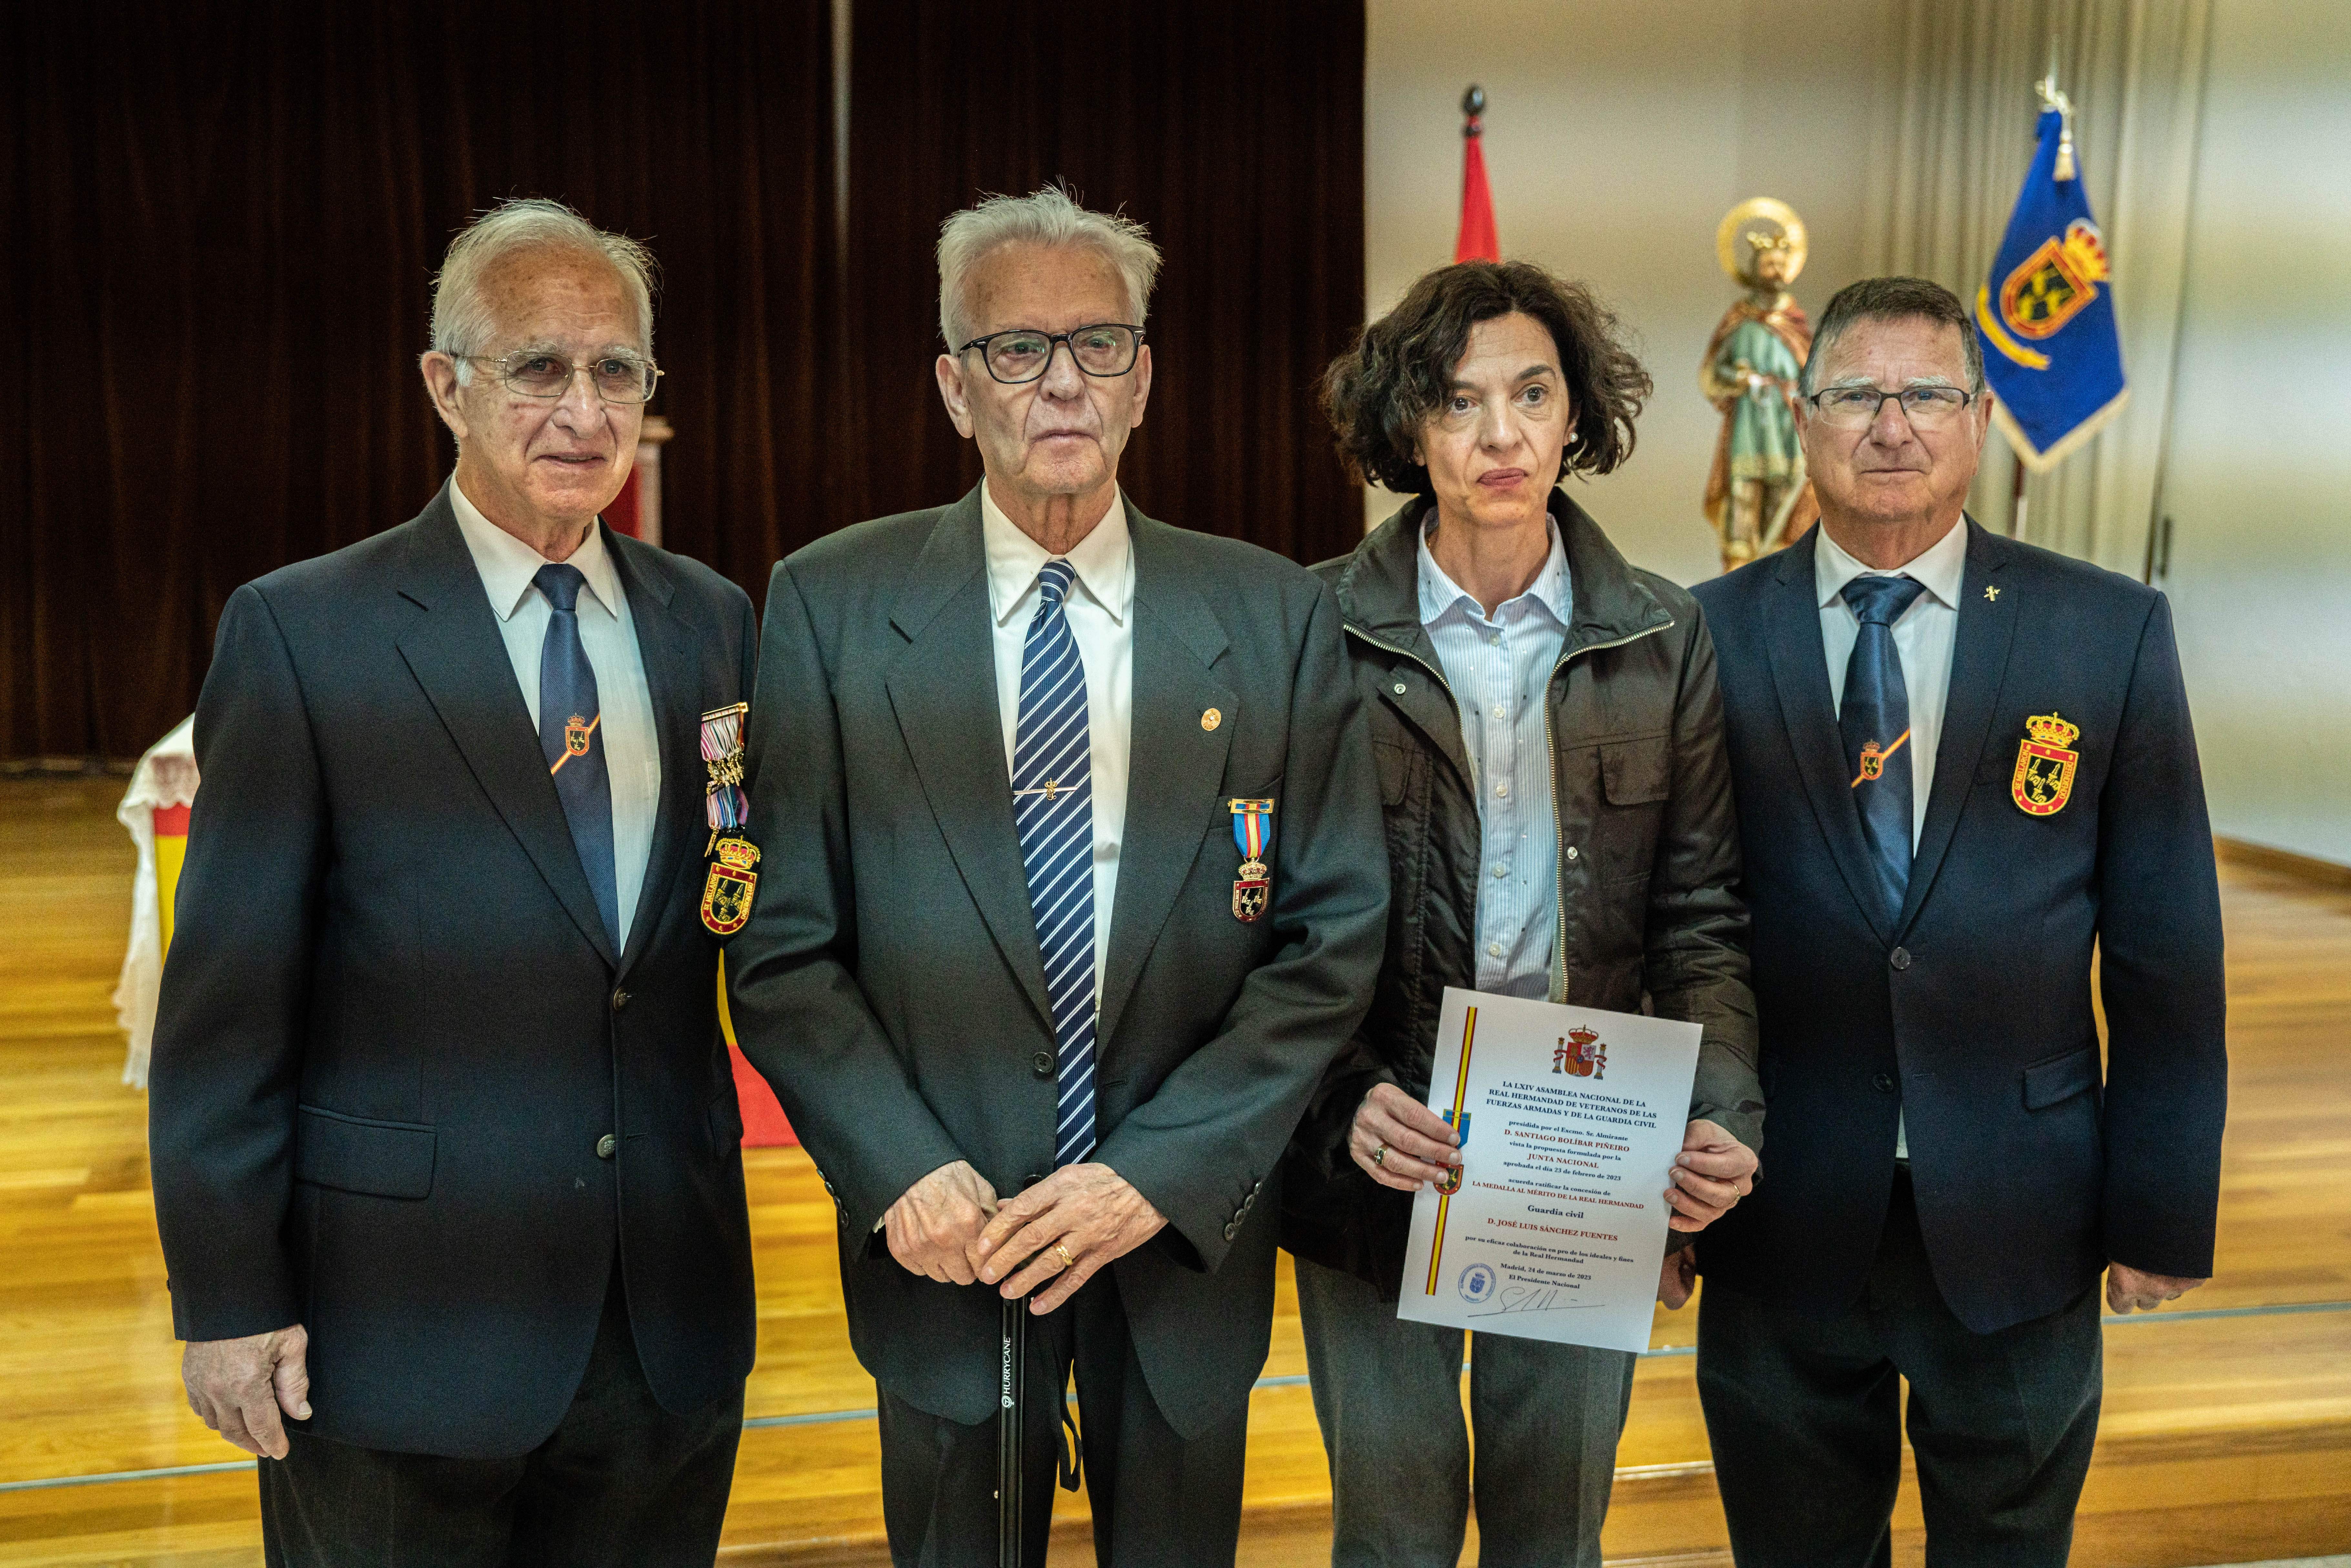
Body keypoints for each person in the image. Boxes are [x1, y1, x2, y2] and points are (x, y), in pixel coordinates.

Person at [722, 186, 1388, 1566]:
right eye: (1016, 349)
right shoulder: (831, 609)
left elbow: (1329, 936)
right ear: (954, 389)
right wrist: (899, 1167)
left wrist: (1156, 1174)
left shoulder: (1274, 615)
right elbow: (783, 946)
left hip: (1181, 1239)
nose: (1063, 381)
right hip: (946, 1240)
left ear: (1145, 380)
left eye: (1099, 343)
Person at [148, 198, 760, 1567]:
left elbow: (737, 919)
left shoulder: (711, 621)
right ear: (446, 386)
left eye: (617, 370)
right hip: (393, 1332)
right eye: (539, 366)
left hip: (663, 1323)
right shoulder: (306, 632)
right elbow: (226, 1014)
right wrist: (230, 1298)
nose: (584, 411)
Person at [1688, 276, 2227, 1566]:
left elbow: (2165, 950)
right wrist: (1645, 1197)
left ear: (1980, 420)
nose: (1892, 427)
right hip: (1774, 1205)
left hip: (2022, 1212)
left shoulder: (2106, 630)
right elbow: (1668, 928)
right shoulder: (1701, 636)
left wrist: (2161, 1208)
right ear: (1801, 419)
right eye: (1855, 396)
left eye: (1927, 393)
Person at [1278, 258, 1765, 1568]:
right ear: (1405, 426)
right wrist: (1337, 1102)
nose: (1500, 434)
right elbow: (1265, 923)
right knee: (1392, 1530)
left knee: (1554, 1530)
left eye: (1532, 395)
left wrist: (1718, 1114)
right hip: (1386, 1132)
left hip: (1585, 1134)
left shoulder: (1663, 634)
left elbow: (1700, 918)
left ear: (1574, 415)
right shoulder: (1311, 627)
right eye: (1457, 400)